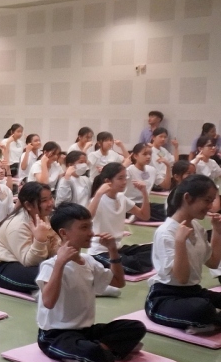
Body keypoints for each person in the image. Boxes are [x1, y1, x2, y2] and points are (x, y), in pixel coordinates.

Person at [36, 204, 145, 362]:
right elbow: (48, 302)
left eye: (90, 226)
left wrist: (112, 250)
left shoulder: (88, 261)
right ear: (64, 233)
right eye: (84, 228)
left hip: (86, 331)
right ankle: (102, 350)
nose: (91, 233)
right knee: (95, 354)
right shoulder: (50, 265)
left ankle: (96, 350)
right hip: (55, 335)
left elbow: (118, 282)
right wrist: (60, 264)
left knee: (136, 327)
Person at [146, 175, 221, 335]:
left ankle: (211, 322)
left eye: (212, 201)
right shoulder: (166, 232)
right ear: (188, 198)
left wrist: (217, 231)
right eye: (207, 200)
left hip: (193, 292)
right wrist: (180, 242)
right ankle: (209, 321)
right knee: (203, 309)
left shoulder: (197, 227)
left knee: (204, 306)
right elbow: (182, 278)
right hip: (165, 297)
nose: (210, 206)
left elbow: (213, 262)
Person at [0, 181, 59, 294]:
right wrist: (40, 240)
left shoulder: (43, 217)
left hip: (28, 262)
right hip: (2, 267)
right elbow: (29, 262)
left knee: (63, 270)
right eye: (44, 200)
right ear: (28, 205)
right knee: (51, 276)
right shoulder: (17, 225)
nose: (50, 203)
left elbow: (52, 252)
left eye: (50, 198)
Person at [87, 163, 152, 275]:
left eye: (125, 178)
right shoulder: (98, 200)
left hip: (118, 248)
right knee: (133, 263)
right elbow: (87, 218)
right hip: (100, 252)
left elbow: (144, 216)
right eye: (120, 178)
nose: (124, 182)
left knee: (154, 248)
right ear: (108, 181)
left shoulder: (121, 197)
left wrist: (144, 193)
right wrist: (98, 194)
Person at [125, 143, 166, 222]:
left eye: (150, 154)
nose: (148, 157)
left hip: (145, 203)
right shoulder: (129, 170)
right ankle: (136, 214)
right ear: (135, 156)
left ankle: (137, 215)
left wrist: (167, 166)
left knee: (166, 208)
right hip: (131, 203)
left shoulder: (152, 169)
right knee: (155, 213)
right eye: (145, 154)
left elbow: (166, 185)